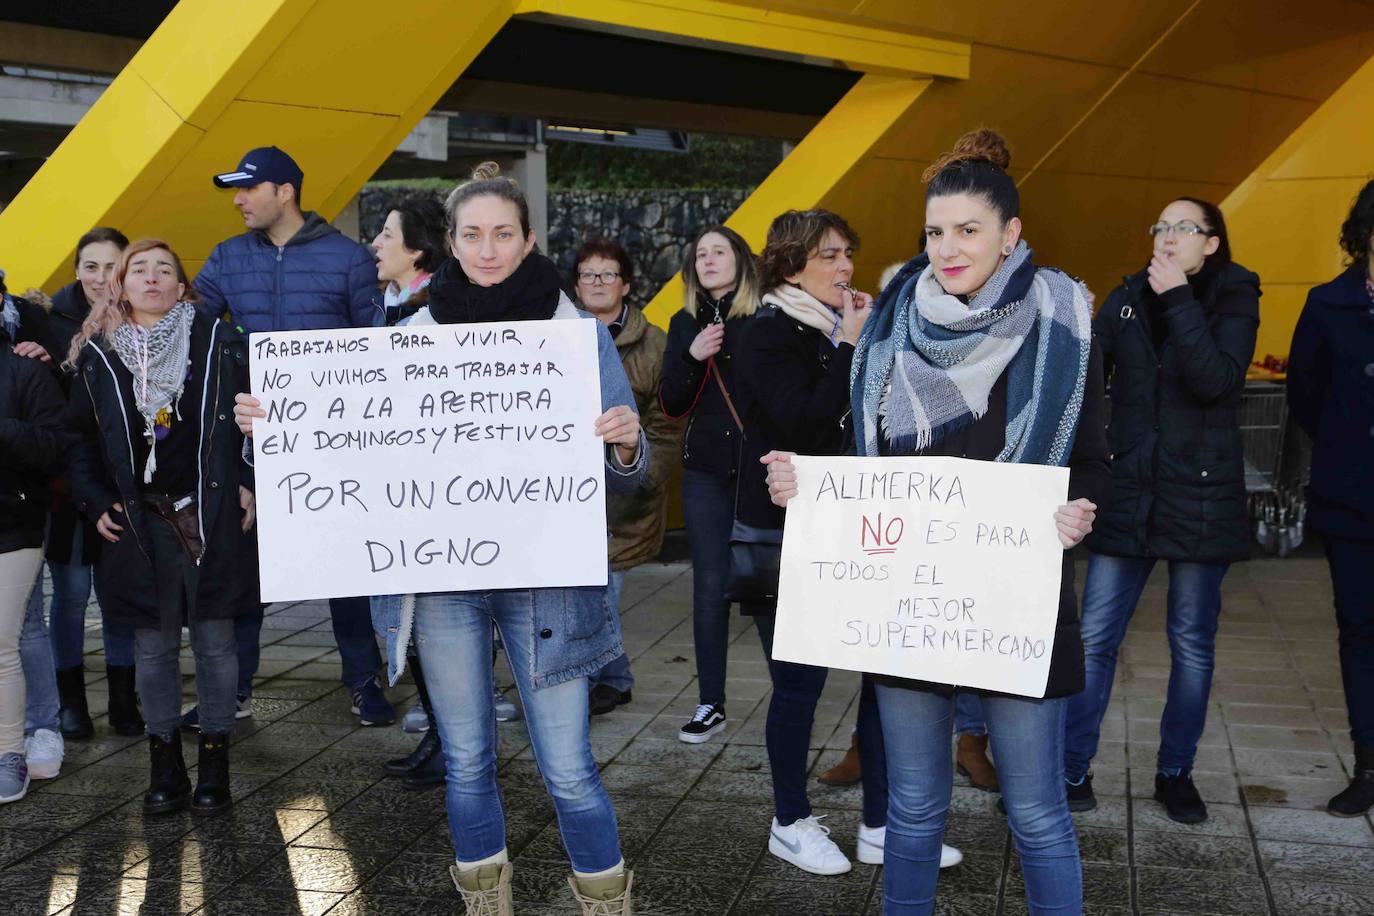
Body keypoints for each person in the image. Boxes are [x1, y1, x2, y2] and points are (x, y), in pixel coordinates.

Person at [238, 162, 646, 915]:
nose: (487, 250)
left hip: (546, 581)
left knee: (569, 767)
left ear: (527, 240)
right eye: (471, 235)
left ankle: (604, 902)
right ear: (451, 244)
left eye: (502, 234)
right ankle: (485, 901)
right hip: (446, 585)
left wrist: (623, 444)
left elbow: (629, 477)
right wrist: (274, 432)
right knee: (465, 760)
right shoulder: (408, 338)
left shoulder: (576, 338)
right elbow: (352, 447)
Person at [766, 129, 1110, 914]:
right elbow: (863, 460)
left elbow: (1093, 460)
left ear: (1009, 234)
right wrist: (808, 490)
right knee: (913, 812)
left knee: (1036, 813)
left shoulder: (1061, 326)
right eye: (934, 232)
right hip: (908, 604)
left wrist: (1077, 510)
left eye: (968, 230)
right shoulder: (887, 327)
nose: (948, 249)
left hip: (1018, 601)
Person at [735, 209, 961, 877]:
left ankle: (880, 825)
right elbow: (801, 419)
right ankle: (790, 820)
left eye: (847, 255)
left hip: (860, 530)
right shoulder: (765, 334)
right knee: (799, 684)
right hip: (785, 536)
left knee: (877, 675)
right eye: (829, 256)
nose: (844, 269)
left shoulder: (851, 330)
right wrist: (850, 349)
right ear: (790, 265)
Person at [1063, 196, 1260, 825]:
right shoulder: (1124, 299)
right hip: (1130, 491)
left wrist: (1178, 299)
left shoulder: (1235, 295)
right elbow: (1087, 386)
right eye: (1161, 226)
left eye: (1185, 227)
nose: (1168, 236)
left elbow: (1217, 382)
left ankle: (1175, 773)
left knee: (1192, 643)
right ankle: (1071, 766)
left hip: (1201, 496)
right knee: (1094, 639)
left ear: (1212, 243)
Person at [193, 145, 393, 727]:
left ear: (285, 191)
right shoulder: (227, 259)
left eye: (248, 189)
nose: (237, 200)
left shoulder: (350, 260)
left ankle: (364, 683)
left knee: (347, 571)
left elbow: (374, 350)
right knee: (245, 568)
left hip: (333, 446)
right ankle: (234, 691)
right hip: (250, 441)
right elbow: (191, 331)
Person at [64, 240, 257, 816]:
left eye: (164, 270)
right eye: (138, 270)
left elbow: (262, 414)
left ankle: (216, 762)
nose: (151, 279)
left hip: (210, 514)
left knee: (217, 643)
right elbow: (77, 440)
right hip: (137, 521)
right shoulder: (99, 354)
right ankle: (165, 762)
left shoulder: (220, 341)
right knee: (151, 648)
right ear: (120, 286)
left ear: (181, 286)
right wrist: (94, 498)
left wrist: (249, 476)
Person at [819, 262, 998, 796]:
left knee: (970, 633)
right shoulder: (883, 355)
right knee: (891, 640)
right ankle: (867, 746)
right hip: (898, 527)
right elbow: (851, 435)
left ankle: (971, 741)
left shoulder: (981, 354)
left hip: (969, 523)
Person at [1287, 178, 1374, 817]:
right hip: (1353, 499)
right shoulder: (1327, 304)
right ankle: (1368, 766)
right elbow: (1306, 396)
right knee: (1361, 633)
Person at [37, 228, 143, 743]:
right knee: (72, 593)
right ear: (76, 268)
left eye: (111, 266)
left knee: (118, 591)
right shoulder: (47, 320)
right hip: (63, 483)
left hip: (121, 484)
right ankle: (71, 700)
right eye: (90, 266)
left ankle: (125, 697)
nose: (101, 278)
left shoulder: (141, 316)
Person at [573, 237, 685, 716]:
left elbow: (667, 424)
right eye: (587, 275)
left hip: (625, 495)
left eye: (607, 274)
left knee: (603, 594)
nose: (597, 283)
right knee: (581, 593)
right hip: (566, 494)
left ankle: (608, 678)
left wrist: (643, 475)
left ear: (626, 284)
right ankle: (608, 677)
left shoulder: (654, 343)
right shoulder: (555, 335)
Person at [660, 225, 760, 743]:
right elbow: (672, 404)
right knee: (709, 587)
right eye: (701, 254)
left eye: (719, 251)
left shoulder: (766, 317)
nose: (709, 260)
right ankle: (710, 703)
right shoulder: (683, 323)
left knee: (772, 584)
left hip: (760, 471)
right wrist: (692, 355)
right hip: (704, 470)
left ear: (741, 261)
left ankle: (789, 692)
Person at [369, 192, 449, 790]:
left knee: (435, 620)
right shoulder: (391, 306)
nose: (375, 243)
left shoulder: (438, 311)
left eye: (387, 234)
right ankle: (443, 733)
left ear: (417, 250)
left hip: (436, 496)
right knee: (409, 621)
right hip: (398, 493)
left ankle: (454, 738)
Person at [0, 323, 65, 803]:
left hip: (12, 527)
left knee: (4, 642)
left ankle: (9, 754)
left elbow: (53, 447)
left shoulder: (25, 370)